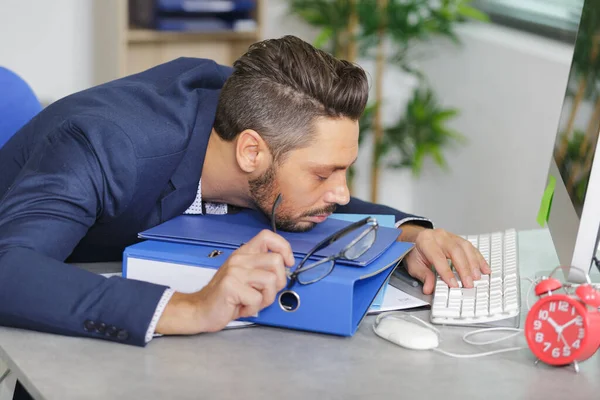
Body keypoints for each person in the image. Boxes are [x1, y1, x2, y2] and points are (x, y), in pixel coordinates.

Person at [0, 35, 490, 350]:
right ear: (251, 153)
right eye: (324, 175)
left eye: (345, 172)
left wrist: (405, 234)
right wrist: (189, 307)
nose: (341, 194)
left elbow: (302, 198)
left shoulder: (248, 112)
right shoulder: (107, 147)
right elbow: (8, 271)